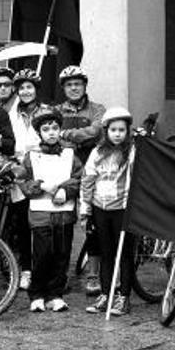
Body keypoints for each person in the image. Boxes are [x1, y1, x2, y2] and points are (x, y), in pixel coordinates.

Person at [16, 106, 82, 313]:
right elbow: (23, 181)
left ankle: (55, 294)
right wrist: (40, 185)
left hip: (64, 214)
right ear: (39, 133)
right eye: (46, 129)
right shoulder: (32, 156)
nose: (51, 132)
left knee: (61, 254)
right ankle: (36, 294)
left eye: (54, 128)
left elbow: (80, 177)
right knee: (42, 254)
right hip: (41, 214)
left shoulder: (70, 155)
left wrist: (66, 189)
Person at [80, 107, 136, 316]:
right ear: (106, 131)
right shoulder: (97, 152)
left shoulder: (131, 151)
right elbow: (87, 179)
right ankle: (105, 293)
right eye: (113, 130)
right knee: (106, 253)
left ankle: (124, 297)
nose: (118, 134)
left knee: (125, 254)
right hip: (100, 208)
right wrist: (85, 207)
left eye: (122, 130)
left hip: (122, 208)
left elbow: (137, 177)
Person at [56, 65, 106, 297]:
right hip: (65, 175)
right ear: (64, 88)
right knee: (63, 226)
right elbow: (49, 136)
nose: (74, 88)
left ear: (85, 85)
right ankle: (60, 274)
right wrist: (78, 137)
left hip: (93, 173)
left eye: (77, 83)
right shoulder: (55, 110)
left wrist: (66, 135)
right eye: (69, 84)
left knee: (93, 226)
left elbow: (96, 132)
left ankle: (93, 275)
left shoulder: (98, 109)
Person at [7, 68, 46, 291]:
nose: (25, 91)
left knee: (42, 224)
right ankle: (26, 270)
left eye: (29, 87)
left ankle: (44, 269)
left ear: (36, 90)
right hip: (19, 174)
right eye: (21, 88)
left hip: (42, 171)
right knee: (22, 225)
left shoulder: (47, 112)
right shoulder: (11, 114)